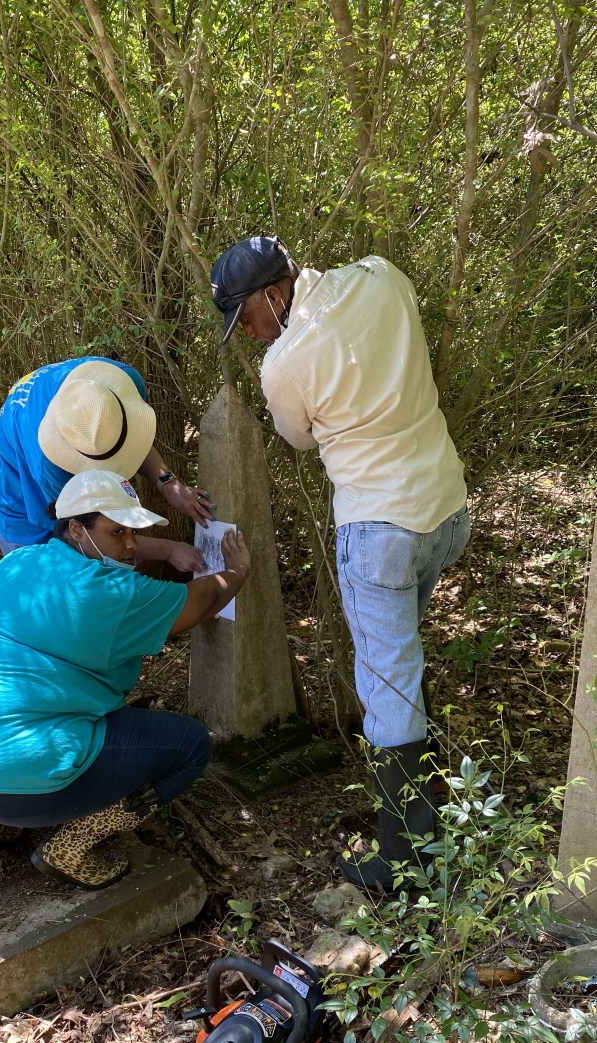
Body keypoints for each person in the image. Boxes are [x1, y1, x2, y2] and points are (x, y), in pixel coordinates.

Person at [210, 235, 470, 893]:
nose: (245, 335)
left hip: (379, 527)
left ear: (273, 293)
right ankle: (432, 819)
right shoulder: (382, 276)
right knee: (401, 663)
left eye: (245, 318)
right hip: (444, 509)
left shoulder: (285, 361)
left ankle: (403, 864)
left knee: (387, 686)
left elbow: (298, 436)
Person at [0, 469, 251, 889]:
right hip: (4, 779)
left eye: (132, 533)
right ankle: (71, 845)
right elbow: (204, 600)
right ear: (75, 528)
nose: (129, 546)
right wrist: (237, 570)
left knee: (9, 706)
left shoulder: (17, 562)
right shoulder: (109, 592)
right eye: (116, 533)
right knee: (191, 746)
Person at [0, 356, 214, 572]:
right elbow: (91, 537)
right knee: (60, 578)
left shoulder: (123, 381)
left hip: (29, 440)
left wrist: (169, 484)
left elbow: (129, 439)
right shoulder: (51, 469)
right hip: (13, 495)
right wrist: (169, 550)